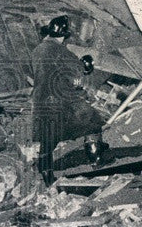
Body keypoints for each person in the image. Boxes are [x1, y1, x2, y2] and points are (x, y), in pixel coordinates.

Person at [30, 15, 106, 185]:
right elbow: (79, 71)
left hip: (41, 99)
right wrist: (86, 64)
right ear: (64, 35)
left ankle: (47, 180)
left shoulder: (37, 50)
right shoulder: (60, 50)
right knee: (92, 121)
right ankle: (97, 163)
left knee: (47, 140)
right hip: (62, 98)